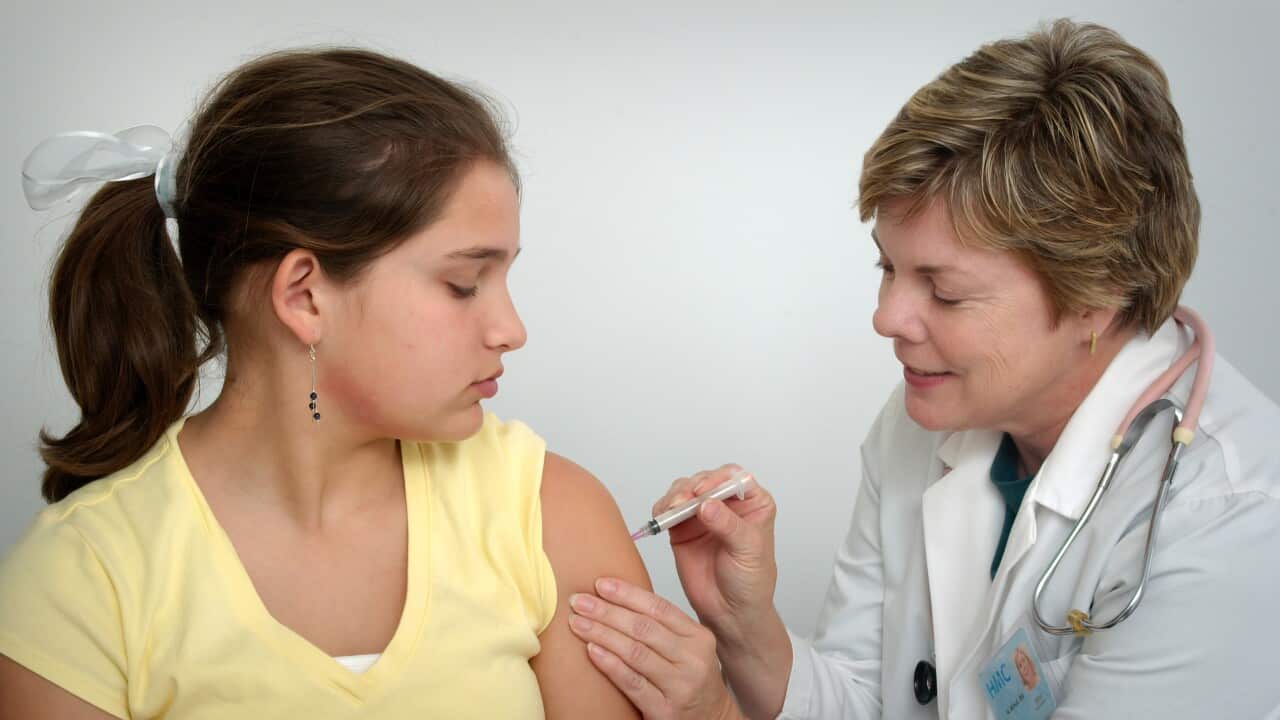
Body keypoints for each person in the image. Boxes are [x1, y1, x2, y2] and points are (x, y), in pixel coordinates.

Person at [566, 19, 1280, 719]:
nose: (888, 318)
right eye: (888, 267)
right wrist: (746, 631)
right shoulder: (929, 417)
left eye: (945, 291)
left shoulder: (1228, 520)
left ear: (1097, 293)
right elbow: (863, 697)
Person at [0, 48, 648, 719]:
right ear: (305, 298)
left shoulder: (548, 515)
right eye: (464, 284)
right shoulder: (79, 579)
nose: (511, 329)